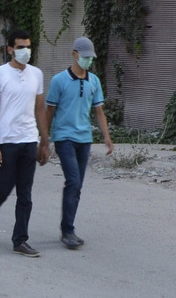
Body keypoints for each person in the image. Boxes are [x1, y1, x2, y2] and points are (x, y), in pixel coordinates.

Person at [0, 28, 48, 257]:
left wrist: (44, 141)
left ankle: (20, 240)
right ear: (10, 50)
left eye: (28, 47)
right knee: (4, 187)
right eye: (20, 47)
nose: (25, 51)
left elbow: (39, 109)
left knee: (25, 194)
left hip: (28, 140)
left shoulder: (36, 74)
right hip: (7, 142)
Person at [42, 36, 113, 250]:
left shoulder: (94, 82)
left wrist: (107, 137)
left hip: (85, 139)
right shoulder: (59, 81)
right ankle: (67, 231)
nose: (88, 61)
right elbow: (49, 112)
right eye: (84, 57)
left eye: (91, 58)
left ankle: (68, 227)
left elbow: (99, 111)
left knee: (77, 185)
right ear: (75, 55)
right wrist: (44, 141)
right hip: (63, 138)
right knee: (72, 181)